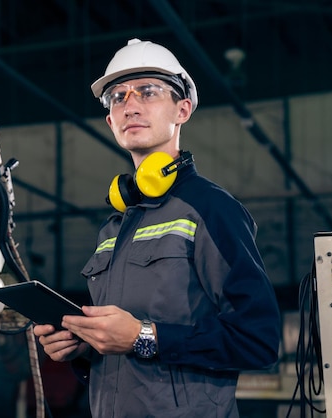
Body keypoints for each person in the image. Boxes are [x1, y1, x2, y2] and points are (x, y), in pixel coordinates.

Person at [33, 38, 281, 418]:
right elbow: (120, 347)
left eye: (147, 92)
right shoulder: (113, 228)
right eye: (117, 97)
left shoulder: (211, 209)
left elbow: (258, 341)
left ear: (182, 110)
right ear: (110, 121)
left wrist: (143, 336)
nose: (130, 105)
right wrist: (85, 346)